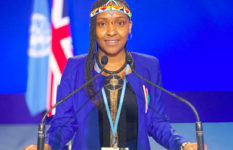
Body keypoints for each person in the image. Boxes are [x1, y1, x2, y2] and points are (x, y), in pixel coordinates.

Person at [25, 0, 207, 150]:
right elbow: (64, 123)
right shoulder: (75, 67)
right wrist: (47, 145)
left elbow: (156, 121)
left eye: (120, 23)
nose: (111, 31)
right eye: (102, 23)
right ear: (93, 29)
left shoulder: (148, 66)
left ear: (129, 27)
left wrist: (182, 145)